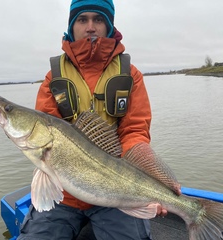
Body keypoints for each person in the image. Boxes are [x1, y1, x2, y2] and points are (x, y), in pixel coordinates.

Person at [18, 0, 170, 239]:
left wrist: (152, 182)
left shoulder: (130, 74)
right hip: (62, 193)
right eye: (82, 19)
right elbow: (48, 130)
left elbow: (134, 131)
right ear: (72, 25)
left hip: (117, 193)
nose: (90, 26)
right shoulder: (53, 77)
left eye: (98, 19)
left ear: (108, 26)